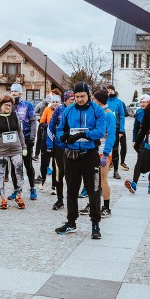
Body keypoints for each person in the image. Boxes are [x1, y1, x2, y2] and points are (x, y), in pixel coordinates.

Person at [55, 81, 106, 239]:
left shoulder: (97, 110)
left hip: (89, 155)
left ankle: (95, 224)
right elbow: (59, 129)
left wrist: (84, 134)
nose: (79, 99)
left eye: (82, 96)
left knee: (94, 191)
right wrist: (62, 137)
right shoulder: (68, 110)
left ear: (89, 95)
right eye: (76, 97)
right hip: (71, 155)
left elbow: (100, 131)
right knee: (71, 190)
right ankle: (71, 222)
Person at [82, 89, 116, 218]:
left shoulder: (109, 115)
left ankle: (106, 207)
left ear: (99, 101)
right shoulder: (95, 112)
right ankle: (93, 203)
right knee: (91, 180)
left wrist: (106, 154)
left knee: (102, 180)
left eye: (94, 99)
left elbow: (111, 136)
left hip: (103, 152)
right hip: (92, 150)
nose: (92, 101)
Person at [0, 93, 27, 209]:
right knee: (1, 175)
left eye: (10, 105)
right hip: (2, 152)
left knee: (19, 174)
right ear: (0, 105)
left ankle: (19, 195)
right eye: (6, 105)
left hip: (16, 150)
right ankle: (3, 198)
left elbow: (20, 132)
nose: (8, 107)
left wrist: (24, 147)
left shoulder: (15, 115)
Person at [9, 83, 38, 200]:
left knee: (27, 164)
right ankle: (16, 189)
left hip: (25, 139)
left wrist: (32, 137)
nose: (14, 93)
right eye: (12, 91)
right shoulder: (9, 105)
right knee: (13, 165)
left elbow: (33, 121)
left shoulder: (28, 105)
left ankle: (32, 188)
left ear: (20, 92)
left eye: (16, 91)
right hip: (12, 139)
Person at [49, 90, 74, 210]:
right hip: (59, 146)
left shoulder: (77, 109)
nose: (73, 101)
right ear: (65, 100)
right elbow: (51, 127)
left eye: (74, 99)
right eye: (71, 99)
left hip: (73, 147)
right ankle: (59, 200)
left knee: (71, 175)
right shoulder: (59, 109)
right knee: (59, 173)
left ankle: (71, 199)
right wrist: (50, 145)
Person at [38, 94, 60, 190]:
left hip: (57, 139)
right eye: (53, 102)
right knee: (44, 162)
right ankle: (42, 180)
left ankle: (54, 184)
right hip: (46, 138)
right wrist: (49, 126)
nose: (55, 104)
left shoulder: (62, 110)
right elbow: (41, 122)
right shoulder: (47, 109)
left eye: (57, 102)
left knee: (56, 163)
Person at [106, 85, 128, 178]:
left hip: (116, 128)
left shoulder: (119, 102)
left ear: (114, 91)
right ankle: (103, 170)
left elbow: (122, 116)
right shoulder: (104, 101)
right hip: (105, 129)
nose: (110, 91)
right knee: (104, 149)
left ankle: (116, 171)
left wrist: (121, 130)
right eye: (108, 90)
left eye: (111, 90)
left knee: (115, 149)